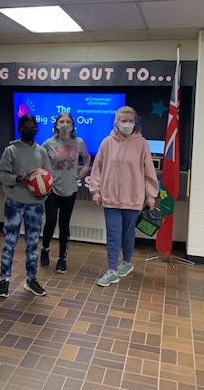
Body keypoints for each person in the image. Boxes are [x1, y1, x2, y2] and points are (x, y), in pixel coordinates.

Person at [89, 106, 159, 287]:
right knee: (113, 234)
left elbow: (149, 172)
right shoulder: (106, 143)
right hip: (110, 197)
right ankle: (112, 270)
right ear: (116, 122)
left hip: (133, 197)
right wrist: (95, 191)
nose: (128, 124)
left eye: (131, 121)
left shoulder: (141, 143)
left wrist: (151, 196)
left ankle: (127, 262)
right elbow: (97, 169)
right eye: (124, 121)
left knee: (127, 234)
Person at [0, 114, 52, 298]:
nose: (30, 130)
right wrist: (18, 179)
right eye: (26, 128)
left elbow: (48, 178)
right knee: (9, 242)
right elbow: (3, 175)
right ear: (20, 129)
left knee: (32, 244)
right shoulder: (10, 151)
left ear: (37, 129)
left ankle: (31, 279)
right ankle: (4, 279)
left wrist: (45, 192)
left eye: (33, 128)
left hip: (35, 205)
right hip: (14, 202)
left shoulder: (41, 152)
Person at [40, 112, 91, 273]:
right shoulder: (48, 143)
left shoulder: (78, 142)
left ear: (73, 125)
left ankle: (62, 258)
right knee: (50, 222)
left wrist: (84, 169)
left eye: (68, 121)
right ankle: (45, 249)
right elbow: (38, 159)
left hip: (70, 189)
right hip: (52, 189)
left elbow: (87, 157)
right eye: (61, 121)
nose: (65, 124)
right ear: (56, 124)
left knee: (64, 224)